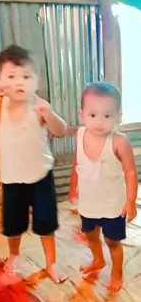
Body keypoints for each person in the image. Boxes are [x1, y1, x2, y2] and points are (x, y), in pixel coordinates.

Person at [0, 44, 67, 283]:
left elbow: (60, 130)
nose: (19, 82)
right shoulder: (0, 104)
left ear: (36, 80)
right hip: (12, 179)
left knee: (46, 224)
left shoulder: (39, 105)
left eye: (26, 76)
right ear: (1, 80)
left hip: (41, 176)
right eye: (11, 76)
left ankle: (51, 264)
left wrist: (50, 114)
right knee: (13, 225)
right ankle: (14, 255)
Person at [70, 82, 138, 292]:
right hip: (88, 203)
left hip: (112, 206)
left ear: (118, 115)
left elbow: (130, 172)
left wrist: (131, 202)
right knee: (91, 235)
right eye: (93, 115)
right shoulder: (80, 135)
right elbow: (77, 163)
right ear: (82, 115)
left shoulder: (119, 142)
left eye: (107, 116)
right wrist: (73, 188)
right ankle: (98, 260)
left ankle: (116, 271)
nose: (99, 122)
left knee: (112, 241)